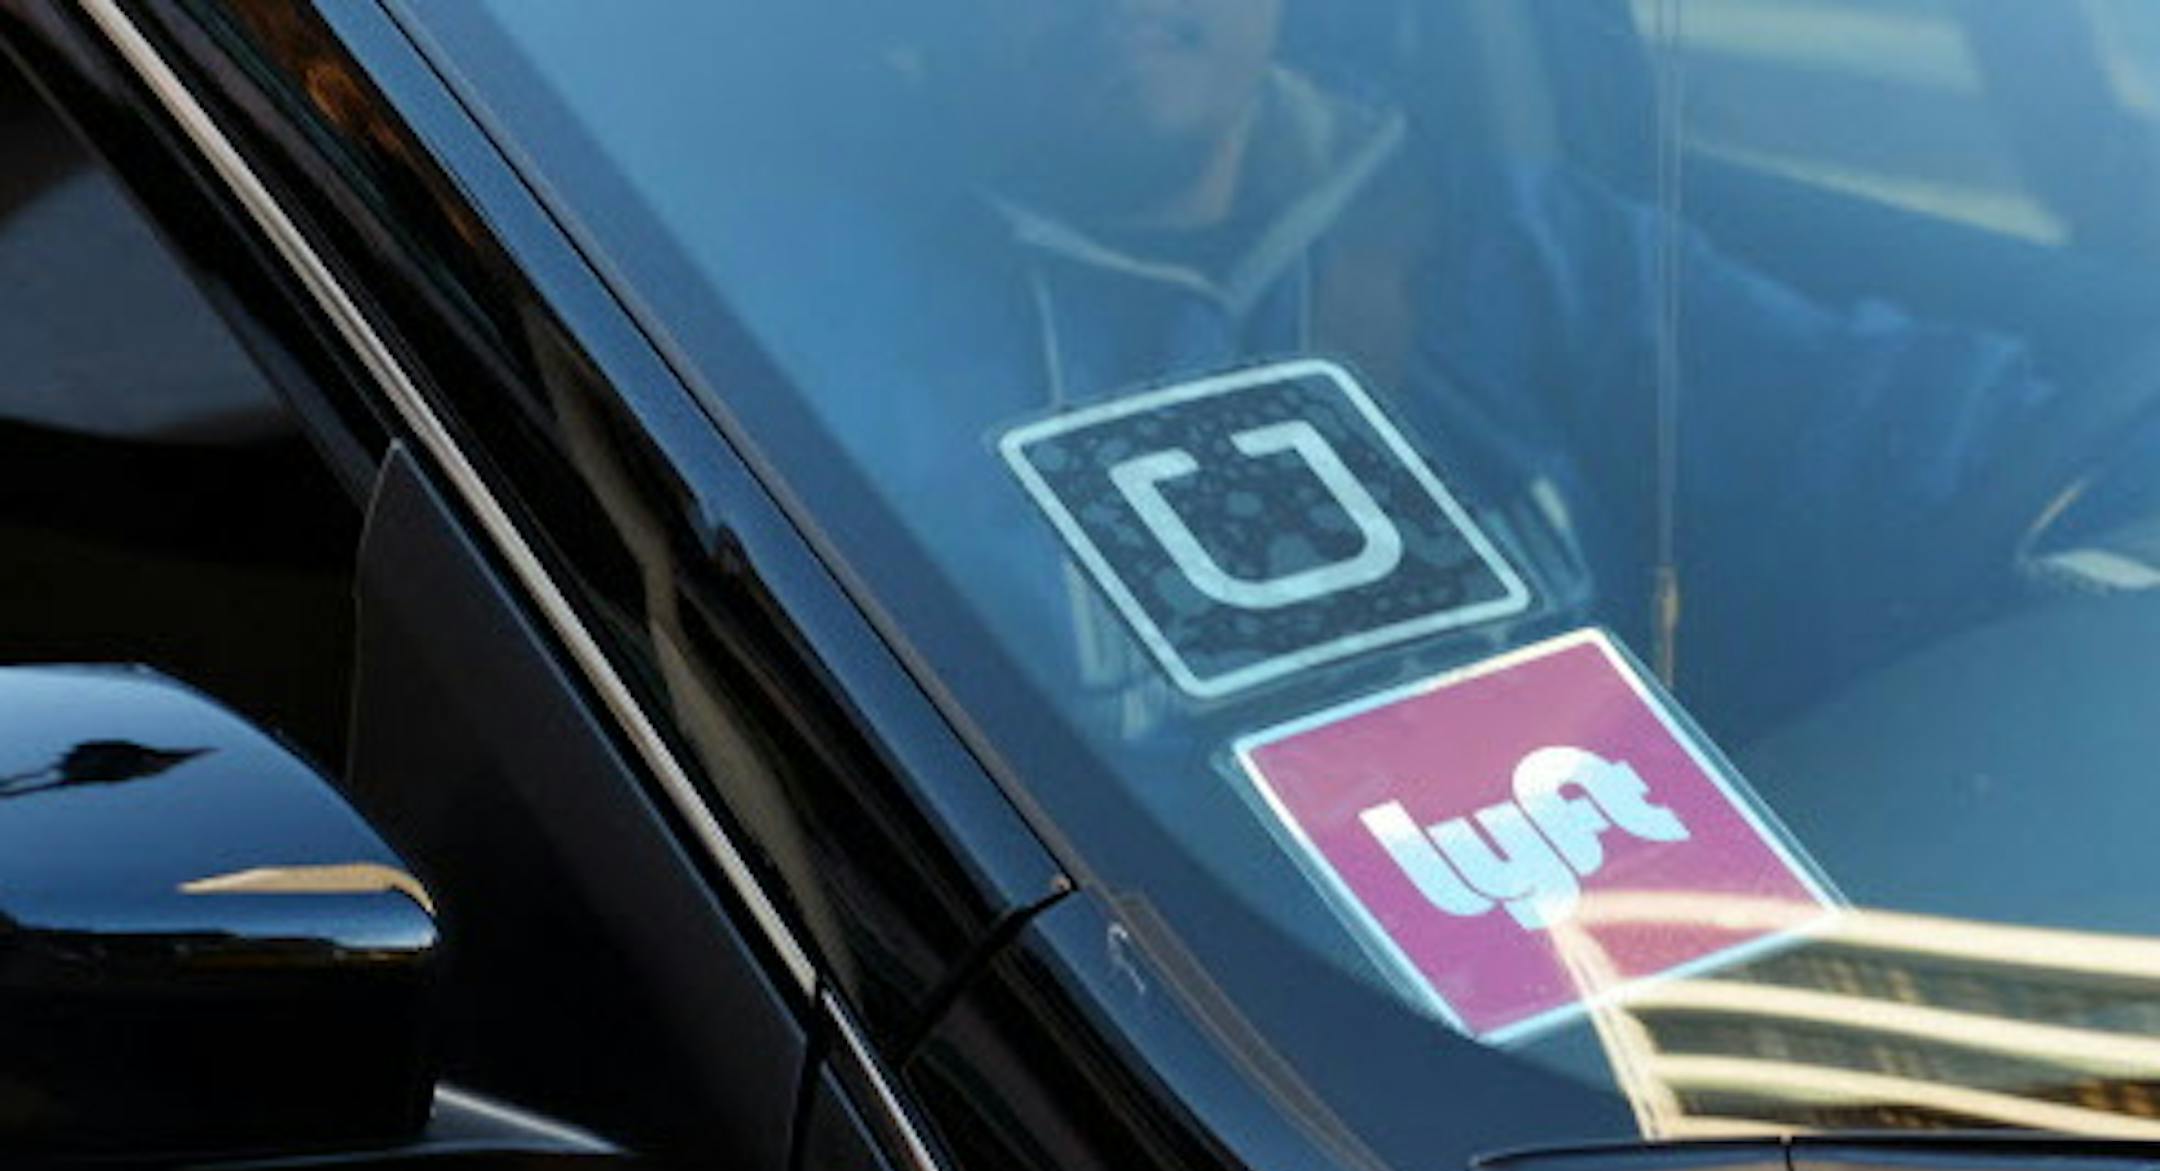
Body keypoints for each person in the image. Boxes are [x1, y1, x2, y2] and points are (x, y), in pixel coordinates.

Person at [724, 0, 2158, 742]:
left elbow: (1982, 454)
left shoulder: (1517, 249)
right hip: (1168, 1114)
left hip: (1616, 1058)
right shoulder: (800, 339)